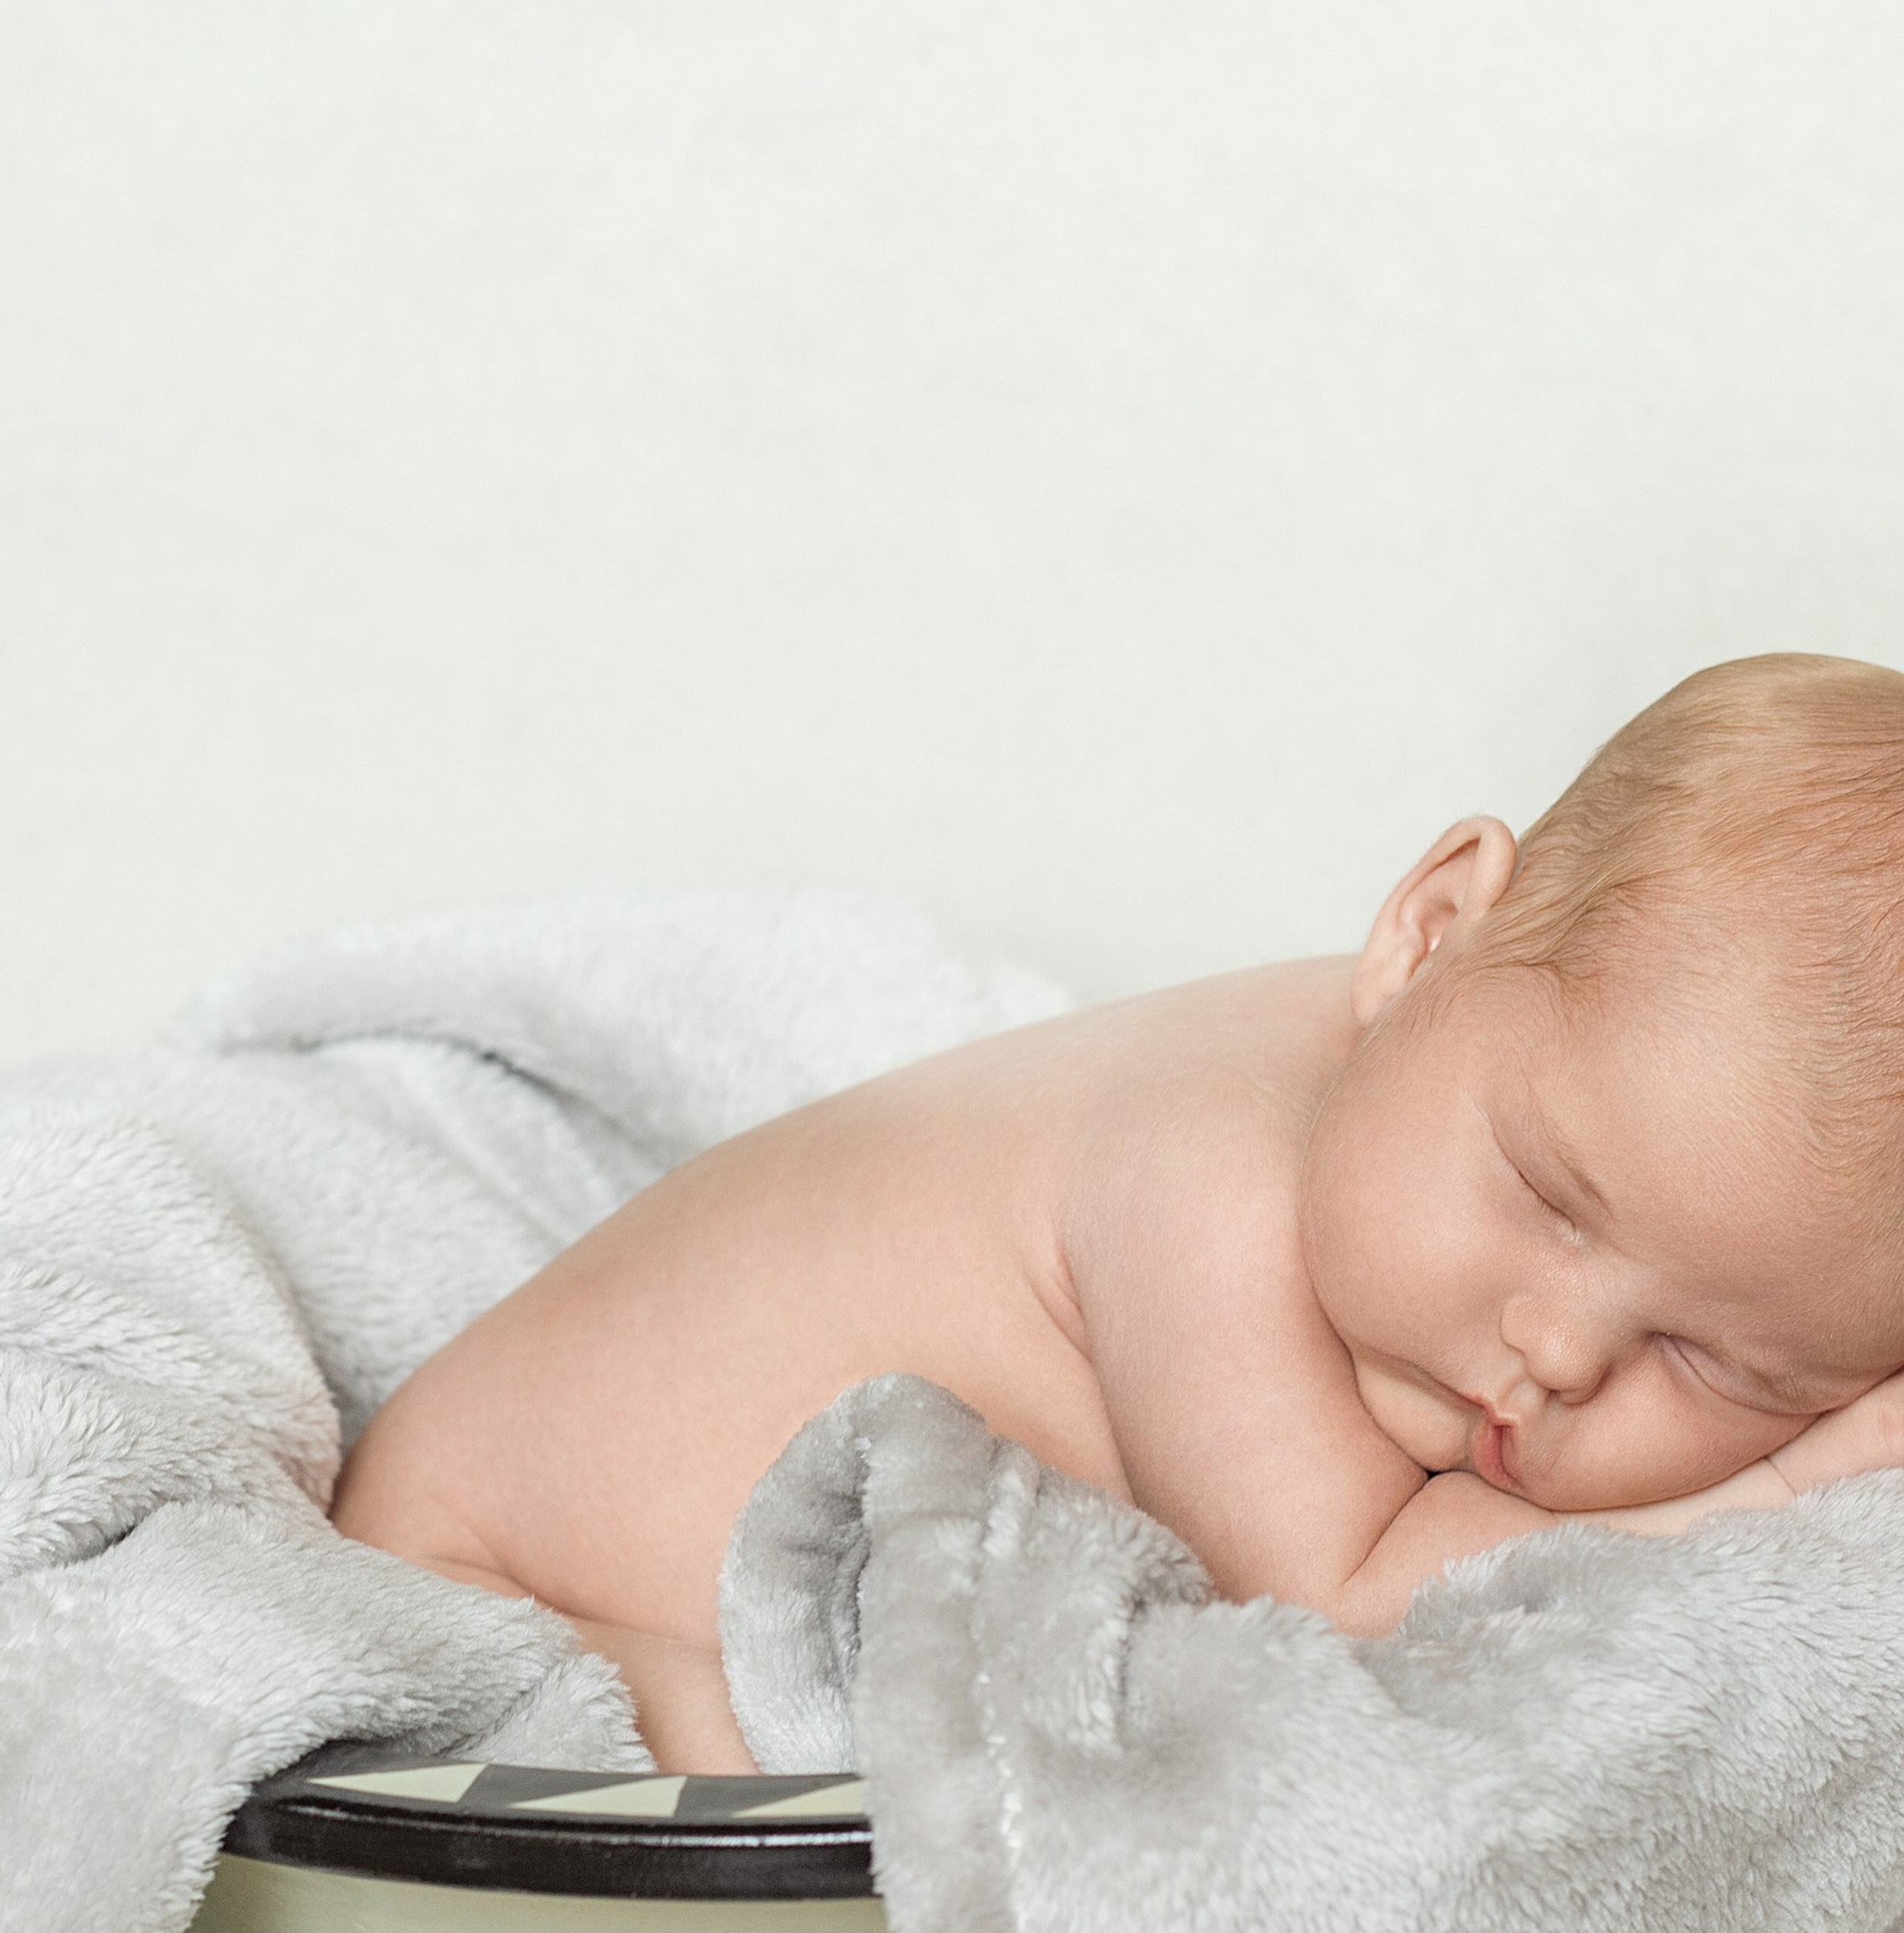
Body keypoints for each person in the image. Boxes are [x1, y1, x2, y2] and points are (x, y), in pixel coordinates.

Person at [333, 653, 1904, 1768]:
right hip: (485, 1599)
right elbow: (1350, 1608)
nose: (1558, 1355)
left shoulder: (1454, 1062)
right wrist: (1780, 1486)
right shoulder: (1214, 1179)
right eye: (1546, 1196)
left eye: (1723, 1366)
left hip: (607, 1584)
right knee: (882, 1811)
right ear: (1428, 935)